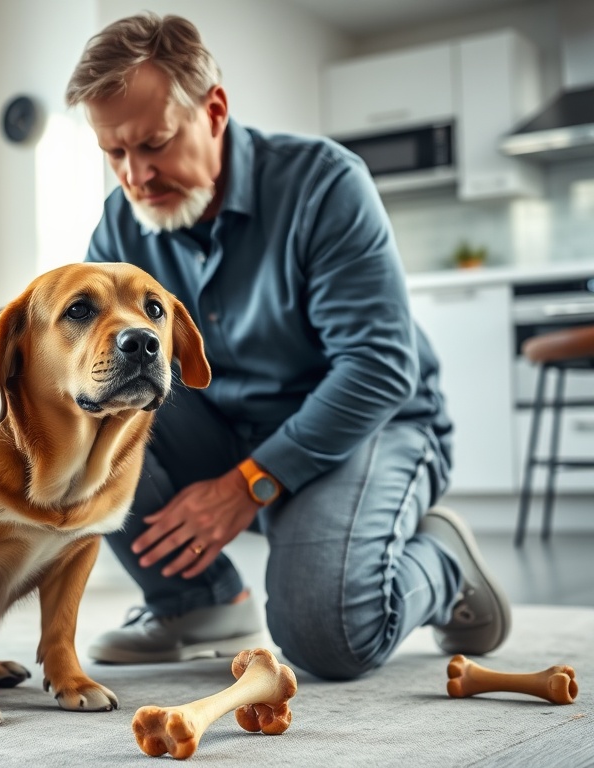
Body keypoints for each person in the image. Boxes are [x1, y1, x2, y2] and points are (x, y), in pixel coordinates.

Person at [64, 12, 511, 680]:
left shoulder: (324, 185)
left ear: (213, 110)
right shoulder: (121, 227)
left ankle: (442, 561)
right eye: (115, 153)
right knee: (77, 412)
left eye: (154, 144)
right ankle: (197, 604)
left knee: (325, 636)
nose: (136, 176)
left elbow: (380, 366)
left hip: (371, 428)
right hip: (224, 427)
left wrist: (250, 483)